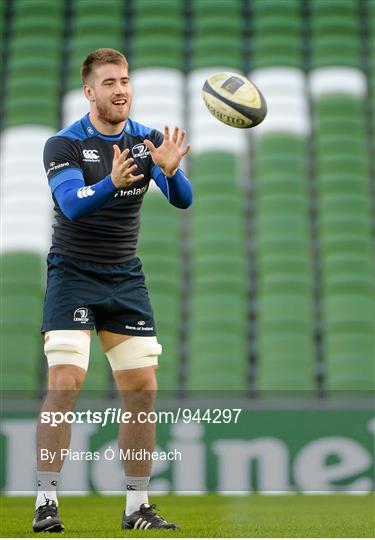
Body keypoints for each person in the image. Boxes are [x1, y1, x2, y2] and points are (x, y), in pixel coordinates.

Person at [32, 48, 192, 533]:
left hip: (125, 277)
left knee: (143, 389)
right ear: (89, 91)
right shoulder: (62, 144)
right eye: (109, 83)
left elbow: (184, 201)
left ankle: (137, 506)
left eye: (124, 81)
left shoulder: (147, 140)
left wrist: (169, 170)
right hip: (73, 274)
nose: (120, 90)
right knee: (65, 382)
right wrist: (111, 183)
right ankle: (45, 501)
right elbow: (73, 205)